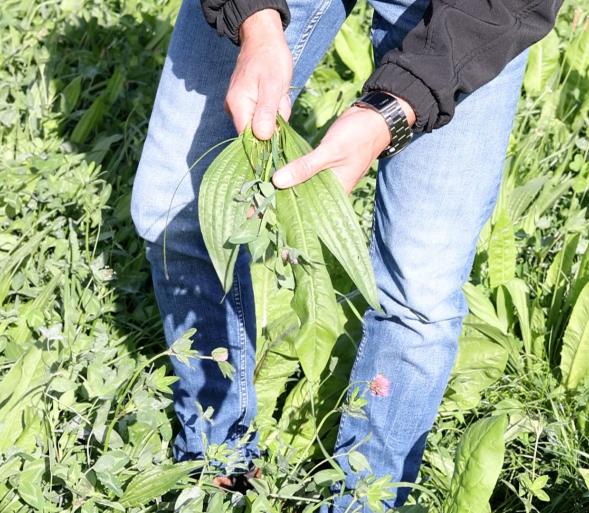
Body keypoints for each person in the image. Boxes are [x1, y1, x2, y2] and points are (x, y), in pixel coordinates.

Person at [130, 0, 563, 510]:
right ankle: (217, 465)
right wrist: (254, 22)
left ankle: (364, 499)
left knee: (419, 291)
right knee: (174, 208)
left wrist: (392, 113)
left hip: (474, 11)